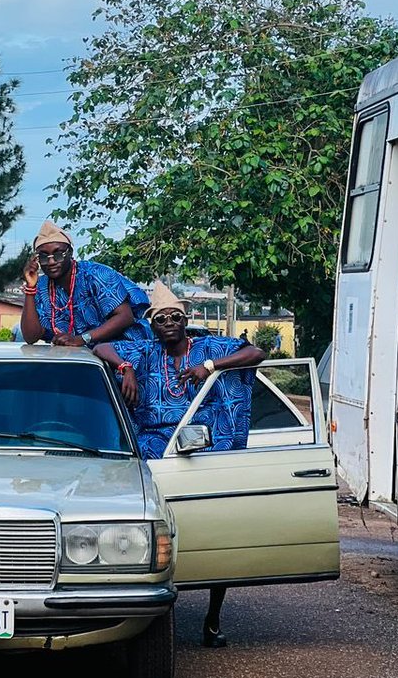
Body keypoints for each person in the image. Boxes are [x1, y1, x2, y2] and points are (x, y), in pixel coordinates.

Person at [95, 281, 264, 648]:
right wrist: (125, 366)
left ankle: (213, 619)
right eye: (161, 319)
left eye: (176, 317)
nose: (169, 323)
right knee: (150, 532)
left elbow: (256, 352)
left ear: (185, 321)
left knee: (216, 533)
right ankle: (144, 613)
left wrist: (210, 367)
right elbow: (101, 345)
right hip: (157, 448)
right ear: (153, 326)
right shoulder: (145, 351)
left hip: (208, 447)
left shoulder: (208, 346)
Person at [20, 220, 151, 356]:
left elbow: (125, 316)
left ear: (70, 252)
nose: (51, 261)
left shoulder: (96, 274)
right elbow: (31, 337)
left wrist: (82, 339)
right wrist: (30, 288)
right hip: (81, 361)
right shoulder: (41, 286)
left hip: (128, 354)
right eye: (44, 256)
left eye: (58, 254)